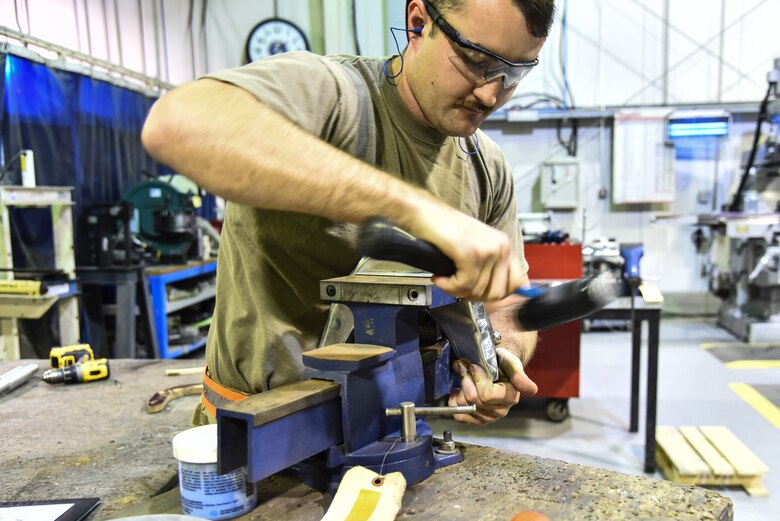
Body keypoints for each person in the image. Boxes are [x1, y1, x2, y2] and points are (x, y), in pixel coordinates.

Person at [142, 0, 556, 427]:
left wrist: (499, 355)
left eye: (514, 72)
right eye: (475, 59)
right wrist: (417, 210)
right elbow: (178, 124)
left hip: (401, 435)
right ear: (418, 23)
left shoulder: (485, 165)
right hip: (256, 438)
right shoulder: (333, 95)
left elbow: (503, 302)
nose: (491, 92)